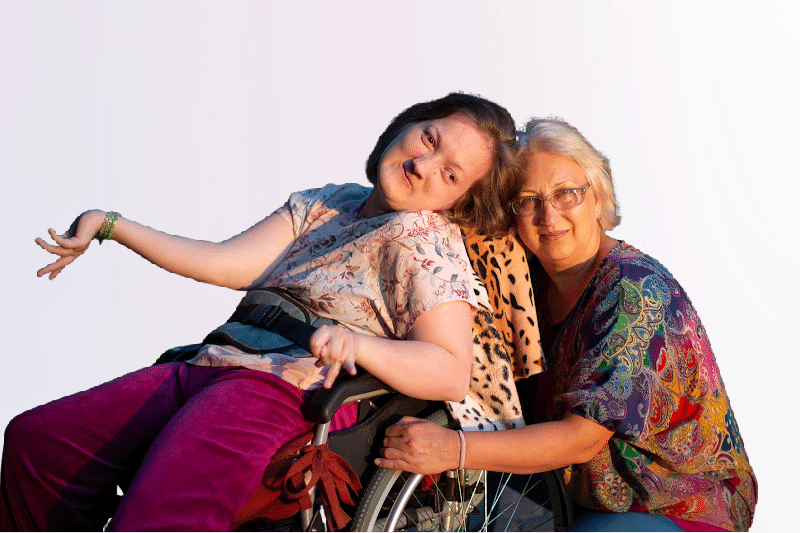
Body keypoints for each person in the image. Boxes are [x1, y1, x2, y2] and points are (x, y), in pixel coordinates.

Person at [0, 93, 521, 531]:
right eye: (428, 139)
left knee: (163, 508)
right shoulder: (328, 202)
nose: (423, 165)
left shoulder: (429, 244)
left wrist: (358, 343)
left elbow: (451, 371)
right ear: (407, 124)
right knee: (39, 442)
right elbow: (224, 262)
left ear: (457, 203)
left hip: (288, 391)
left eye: (450, 174)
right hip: (217, 362)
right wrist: (111, 224)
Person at [376, 117, 757, 531]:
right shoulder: (522, 284)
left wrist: (454, 449)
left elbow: (583, 438)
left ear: (597, 199)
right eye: (528, 200)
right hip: (563, 493)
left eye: (566, 194)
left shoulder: (634, 290)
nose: (548, 215)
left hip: (672, 504)